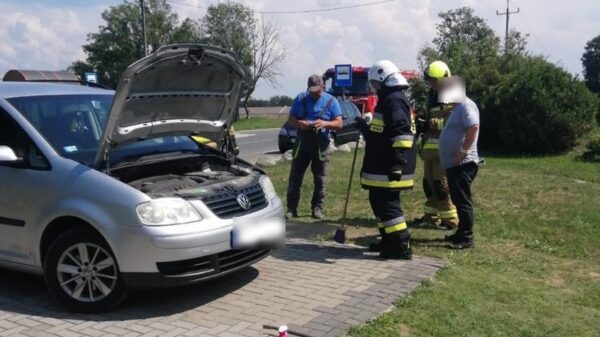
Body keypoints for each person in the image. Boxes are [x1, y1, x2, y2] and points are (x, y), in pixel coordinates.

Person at [358, 60, 416, 260]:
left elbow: (402, 134)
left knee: (389, 206)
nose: (374, 88)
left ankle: (402, 244)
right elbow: (380, 134)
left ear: (383, 79)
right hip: (381, 165)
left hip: (389, 166)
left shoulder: (394, 100)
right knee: (378, 203)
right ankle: (389, 241)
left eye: (375, 83)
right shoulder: (388, 99)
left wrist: (397, 164)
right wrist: (364, 128)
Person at [286, 74, 342, 220]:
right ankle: (292, 208)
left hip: (321, 144)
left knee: (320, 179)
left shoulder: (331, 100)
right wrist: (299, 124)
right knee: (295, 178)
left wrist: (324, 124)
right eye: (312, 90)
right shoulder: (300, 99)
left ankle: (317, 208)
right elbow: (291, 119)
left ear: (322, 87)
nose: (314, 93)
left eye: (317, 90)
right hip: (302, 142)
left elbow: (339, 123)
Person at [413, 61, 458, 230]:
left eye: (433, 80)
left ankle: (451, 220)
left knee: (441, 186)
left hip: (444, 149)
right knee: (429, 184)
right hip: (430, 149)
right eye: (429, 80)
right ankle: (431, 216)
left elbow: (453, 121)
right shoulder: (432, 94)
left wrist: (430, 123)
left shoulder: (453, 93)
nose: (431, 84)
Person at [437, 76, 480, 249]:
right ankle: (461, 233)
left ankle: (466, 238)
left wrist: (463, 151)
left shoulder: (465, 105)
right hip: (454, 164)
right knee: (457, 198)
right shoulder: (456, 108)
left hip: (463, 163)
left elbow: (474, 126)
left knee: (462, 200)